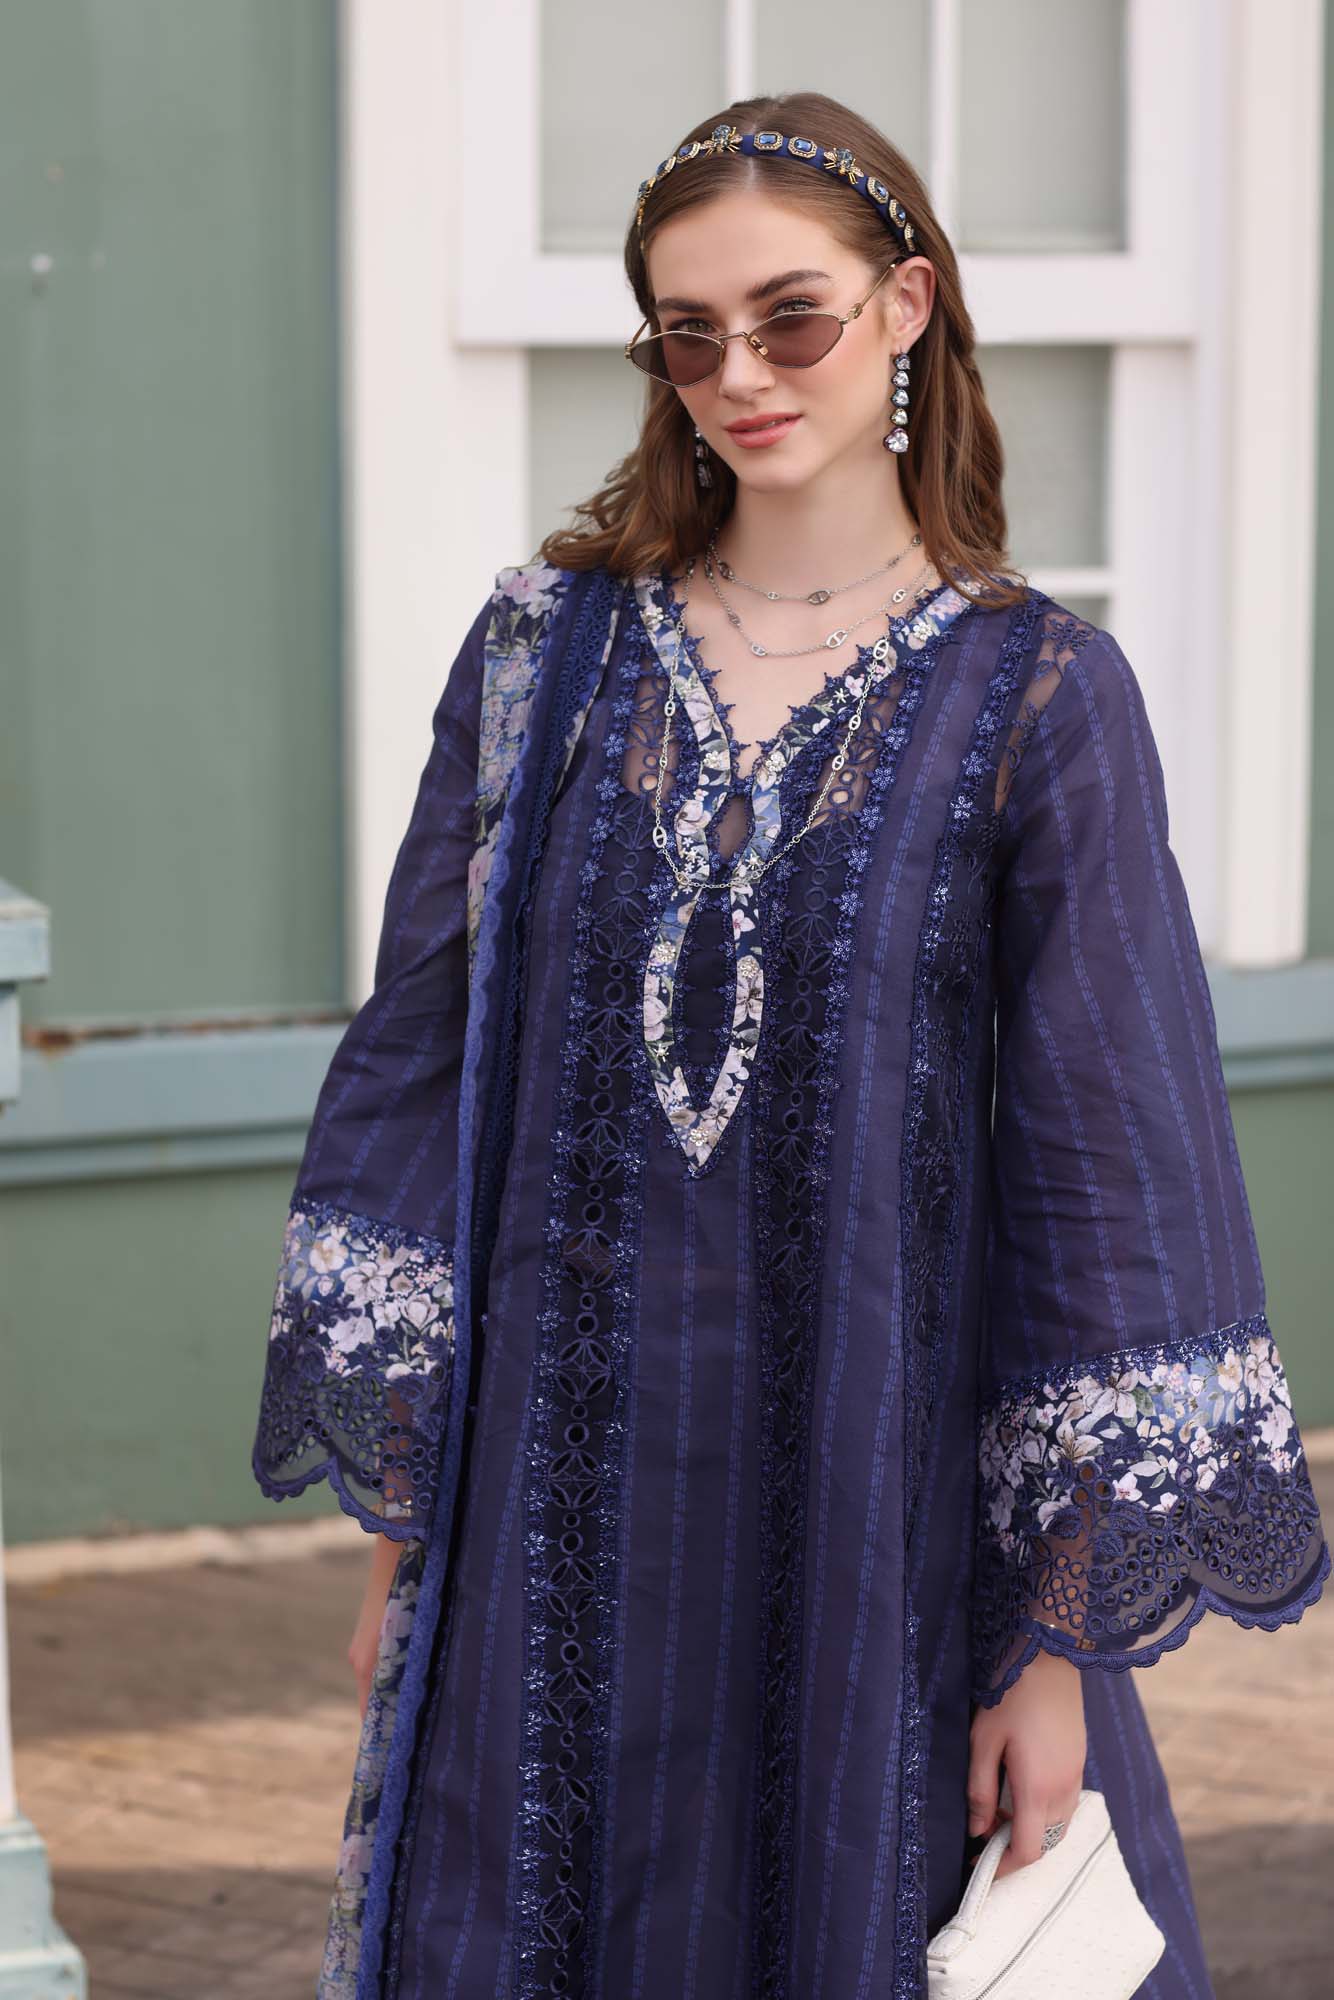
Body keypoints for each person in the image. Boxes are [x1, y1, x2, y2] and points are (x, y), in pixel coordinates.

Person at [251, 91, 1330, 2000]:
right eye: (689, 337)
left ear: (904, 306)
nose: (738, 375)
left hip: (870, 1510)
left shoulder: (1037, 694)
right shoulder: (544, 657)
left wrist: (1053, 1656)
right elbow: (421, 1073)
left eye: (790, 318)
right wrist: (403, 1543)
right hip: (543, 1503)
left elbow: (1106, 1169)